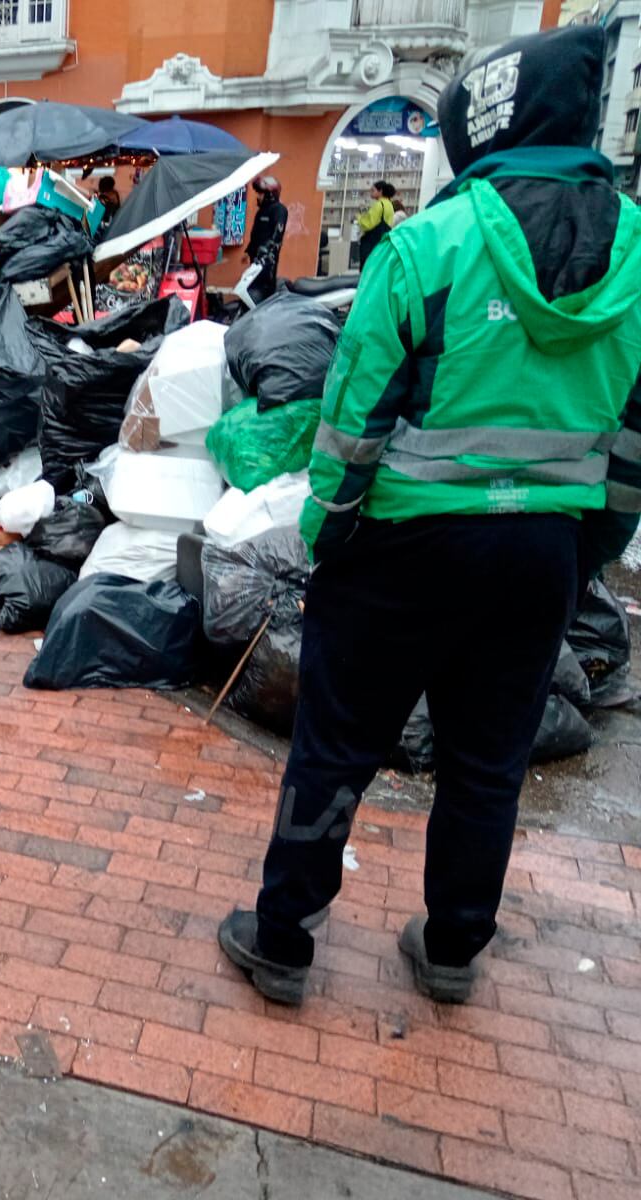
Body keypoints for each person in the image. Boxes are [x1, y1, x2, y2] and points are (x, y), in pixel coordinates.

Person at [218, 23, 641, 1007]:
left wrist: (325, 535)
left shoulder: (428, 244)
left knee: (336, 747)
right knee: (486, 759)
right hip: (540, 550)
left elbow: (352, 419)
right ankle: (452, 947)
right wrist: (586, 551)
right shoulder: (633, 255)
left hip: (402, 548)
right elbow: (632, 437)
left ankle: (282, 939)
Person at [244, 175, 287, 298]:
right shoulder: (261, 212)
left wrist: (265, 251)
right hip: (256, 261)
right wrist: (249, 251)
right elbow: (256, 234)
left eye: (261, 194)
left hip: (267, 262)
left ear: (270, 194)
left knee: (263, 292)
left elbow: (277, 235)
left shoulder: (279, 210)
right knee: (252, 288)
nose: (258, 197)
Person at [354, 180, 396, 265]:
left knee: (368, 266)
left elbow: (368, 224)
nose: (371, 193)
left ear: (380, 191)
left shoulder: (379, 205)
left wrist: (359, 217)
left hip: (372, 242)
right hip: (383, 239)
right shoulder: (390, 204)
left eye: (373, 190)